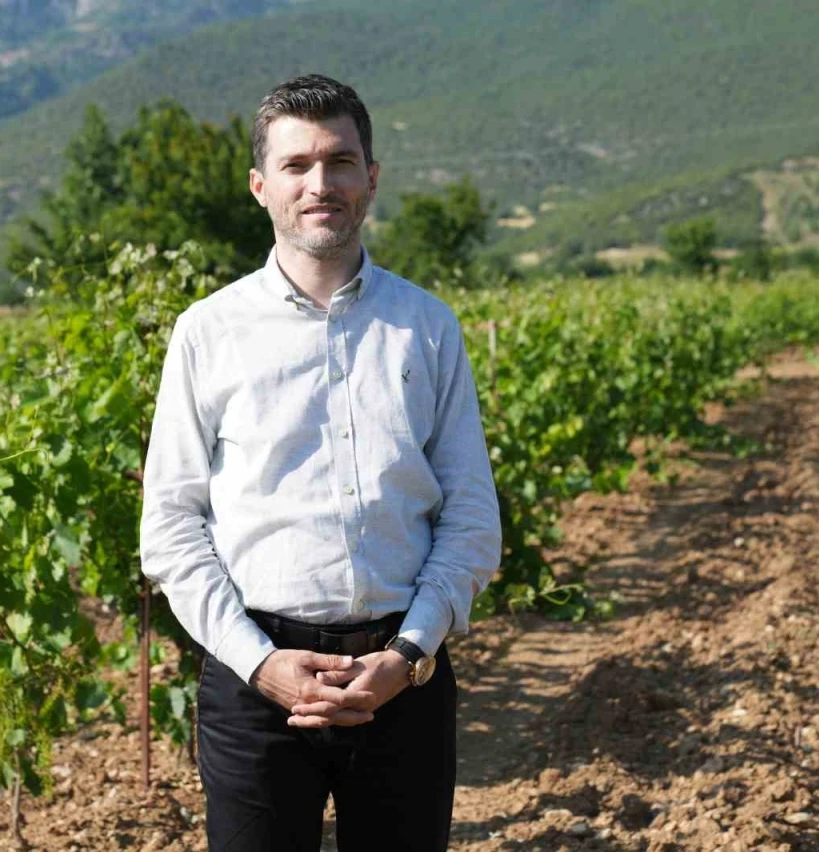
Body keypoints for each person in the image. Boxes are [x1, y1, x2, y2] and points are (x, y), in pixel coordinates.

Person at [139, 74, 501, 852]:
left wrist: (408, 654)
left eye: (339, 161)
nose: (320, 184)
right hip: (254, 682)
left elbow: (471, 514)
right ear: (260, 185)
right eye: (296, 165)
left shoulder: (427, 327)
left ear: (371, 177)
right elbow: (170, 525)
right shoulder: (208, 332)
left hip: (403, 678)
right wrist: (259, 663)